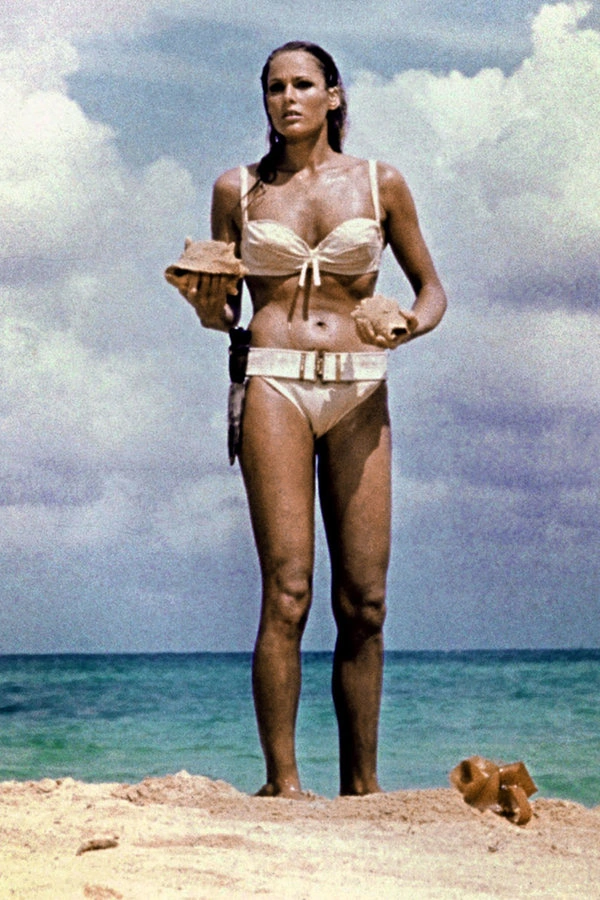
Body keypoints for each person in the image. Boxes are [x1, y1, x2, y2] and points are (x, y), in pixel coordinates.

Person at [178, 41, 446, 797]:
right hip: (275, 383)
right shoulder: (237, 189)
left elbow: (431, 290)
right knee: (288, 589)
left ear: (334, 95)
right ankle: (284, 784)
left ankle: (363, 787)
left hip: (362, 386)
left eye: (302, 85)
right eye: (274, 88)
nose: (287, 98)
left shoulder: (380, 181)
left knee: (365, 602)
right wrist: (205, 307)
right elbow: (224, 308)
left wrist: (407, 325)